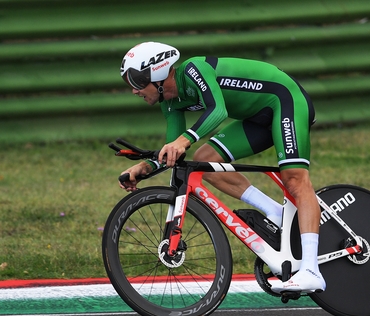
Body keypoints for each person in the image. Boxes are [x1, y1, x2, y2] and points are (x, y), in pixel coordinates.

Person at [118, 41, 325, 294]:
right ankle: (276, 213)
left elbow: (218, 110)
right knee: (205, 162)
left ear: (158, 74)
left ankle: (312, 270)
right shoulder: (170, 102)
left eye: (137, 82)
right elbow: (173, 150)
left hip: (285, 100)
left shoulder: (194, 70)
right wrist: (145, 167)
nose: (134, 91)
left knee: (294, 179)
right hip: (256, 118)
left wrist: (184, 140)